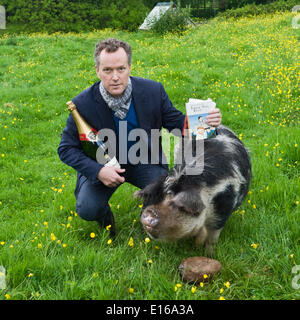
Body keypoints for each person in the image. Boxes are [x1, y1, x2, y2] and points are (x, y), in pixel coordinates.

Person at [57, 38, 222, 236]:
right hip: (104, 165)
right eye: (108, 70)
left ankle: (151, 218)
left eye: (121, 68)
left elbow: (177, 124)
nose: (115, 77)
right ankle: (105, 216)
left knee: (168, 194)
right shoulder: (82, 104)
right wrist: (98, 171)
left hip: (144, 160)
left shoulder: (153, 91)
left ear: (129, 67)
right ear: (97, 70)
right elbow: (66, 148)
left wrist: (206, 122)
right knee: (87, 208)